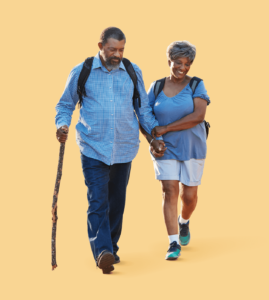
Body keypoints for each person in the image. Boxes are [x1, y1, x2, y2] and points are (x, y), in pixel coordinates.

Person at [55, 27, 166, 274]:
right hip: (93, 146)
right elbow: (65, 104)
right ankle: (102, 251)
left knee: (116, 202)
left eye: (121, 49)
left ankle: (111, 248)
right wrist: (62, 124)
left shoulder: (131, 71)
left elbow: (143, 110)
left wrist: (153, 135)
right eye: (112, 49)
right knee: (97, 199)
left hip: (125, 147)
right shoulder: (82, 71)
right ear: (100, 46)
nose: (117, 54)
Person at [140, 41, 210, 260]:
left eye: (187, 63)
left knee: (189, 196)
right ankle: (173, 243)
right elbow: (144, 116)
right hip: (164, 148)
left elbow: (199, 116)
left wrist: (167, 128)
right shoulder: (157, 87)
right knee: (169, 190)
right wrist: (152, 139)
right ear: (168, 61)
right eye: (178, 62)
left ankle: (184, 222)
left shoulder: (196, 85)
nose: (183, 67)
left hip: (192, 146)